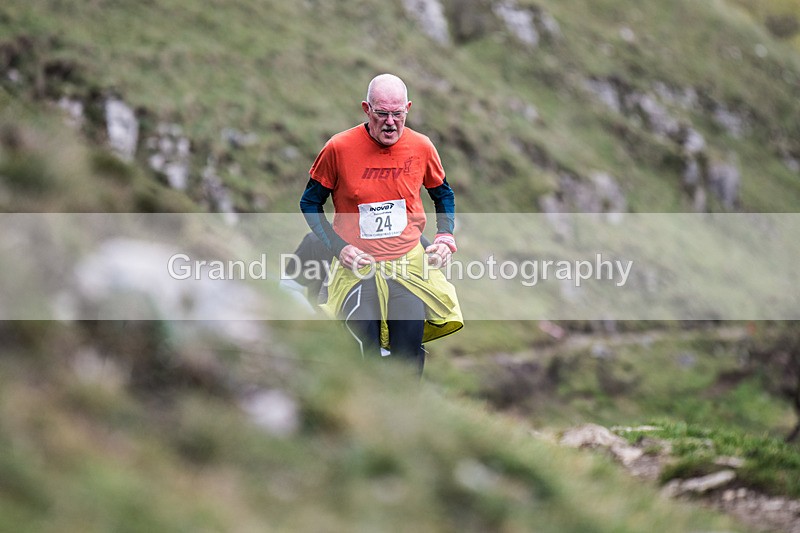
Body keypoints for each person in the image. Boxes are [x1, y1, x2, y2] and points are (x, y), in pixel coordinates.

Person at [300, 73, 463, 374]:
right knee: (364, 351)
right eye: (382, 113)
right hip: (358, 268)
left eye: (397, 114)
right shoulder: (338, 148)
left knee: (409, 351)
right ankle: (362, 416)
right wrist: (339, 248)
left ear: (408, 109)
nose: (390, 122)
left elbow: (444, 194)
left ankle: (406, 419)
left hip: (408, 267)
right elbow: (309, 203)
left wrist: (445, 237)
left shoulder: (422, 147)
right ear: (367, 109)